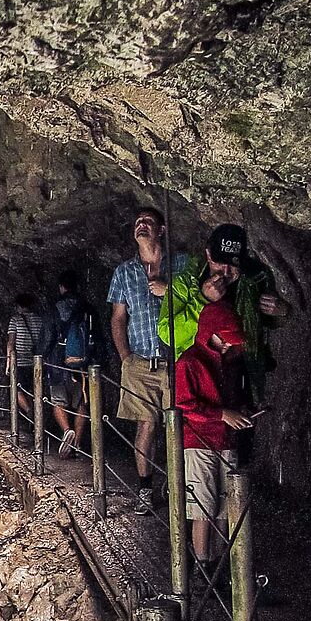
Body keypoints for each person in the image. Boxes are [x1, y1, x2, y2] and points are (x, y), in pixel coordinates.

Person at [174, 276, 253, 566]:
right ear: (210, 333)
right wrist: (223, 414)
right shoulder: (189, 363)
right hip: (199, 442)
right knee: (203, 508)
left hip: (225, 440)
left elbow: (231, 399)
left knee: (224, 508)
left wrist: (242, 410)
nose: (230, 343)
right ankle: (203, 563)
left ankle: (222, 562)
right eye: (225, 337)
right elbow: (183, 405)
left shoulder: (229, 363)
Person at [165, 223, 286, 407]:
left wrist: (282, 311)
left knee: (241, 428)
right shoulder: (184, 284)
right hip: (197, 373)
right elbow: (168, 335)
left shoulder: (255, 279)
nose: (226, 272)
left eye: (233, 265)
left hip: (241, 376)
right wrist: (202, 299)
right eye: (220, 262)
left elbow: (271, 323)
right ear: (208, 254)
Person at [107, 207, 172, 516]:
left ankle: (177, 484)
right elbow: (118, 318)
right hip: (140, 361)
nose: (141, 226)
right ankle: (146, 487)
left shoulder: (181, 264)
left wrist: (168, 290)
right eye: (137, 222)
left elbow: (202, 304)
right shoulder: (124, 272)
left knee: (178, 426)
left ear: (161, 230)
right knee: (146, 425)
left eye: (148, 222)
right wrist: (124, 358)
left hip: (175, 361)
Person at [48, 274, 92, 456]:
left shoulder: (55, 308)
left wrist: (43, 357)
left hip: (59, 364)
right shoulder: (87, 308)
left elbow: (48, 337)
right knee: (82, 403)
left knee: (58, 401)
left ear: (61, 287)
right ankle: (78, 445)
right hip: (82, 364)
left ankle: (67, 431)